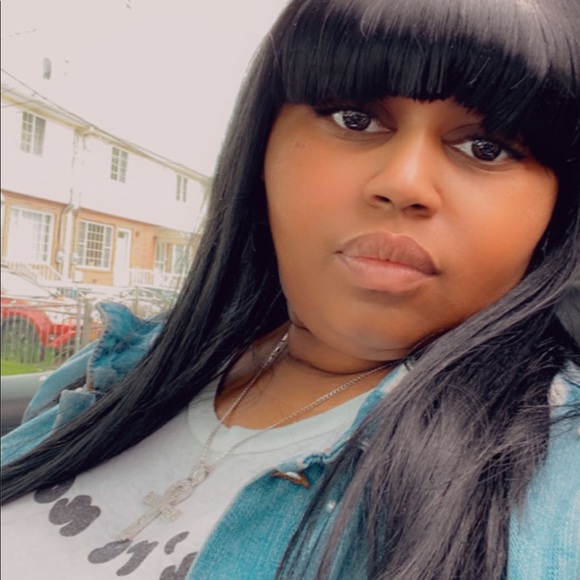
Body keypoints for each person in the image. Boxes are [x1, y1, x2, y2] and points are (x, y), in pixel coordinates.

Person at [2, 0, 579, 578]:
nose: (403, 184)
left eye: (486, 147)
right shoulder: (116, 367)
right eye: (355, 119)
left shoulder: (562, 482)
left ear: (558, 210)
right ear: (264, 147)